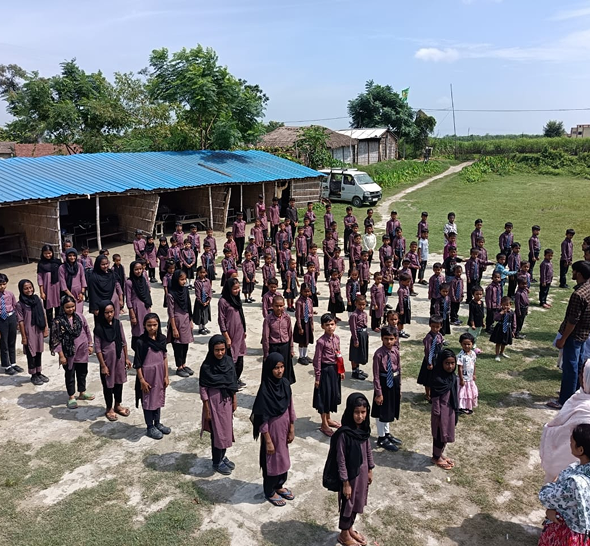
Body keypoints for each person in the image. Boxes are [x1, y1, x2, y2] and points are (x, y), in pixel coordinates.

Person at [322, 392, 374, 546]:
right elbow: (341, 459)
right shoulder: (344, 434)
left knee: (358, 501)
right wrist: (345, 483)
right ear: (350, 411)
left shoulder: (364, 430)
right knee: (348, 504)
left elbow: (368, 449)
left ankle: (350, 528)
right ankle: (344, 535)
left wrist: (370, 469)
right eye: (356, 412)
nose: (360, 416)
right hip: (350, 478)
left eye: (363, 412)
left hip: (362, 474)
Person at [251, 352, 296, 505]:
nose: (280, 371)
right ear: (270, 369)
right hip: (272, 432)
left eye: (282, 367)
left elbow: (290, 406)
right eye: (276, 368)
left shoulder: (285, 384)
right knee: (272, 461)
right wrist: (268, 440)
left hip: (284, 429)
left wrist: (291, 427)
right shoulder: (265, 390)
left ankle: (279, 485)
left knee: (283, 458)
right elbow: (262, 418)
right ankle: (270, 491)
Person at [538, 423, 590, 545]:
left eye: (571, 442)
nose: (570, 444)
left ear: (580, 450)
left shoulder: (575, 482)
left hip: (570, 534)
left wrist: (554, 484)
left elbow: (546, 497)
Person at [549, 261, 590, 409]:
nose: (572, 274)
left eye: (573, 271)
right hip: (585, 333)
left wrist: (563, 339)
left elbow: (572, 321)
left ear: (578, 274)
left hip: (574, 335)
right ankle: (576, 393)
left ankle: (565, 400)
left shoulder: (578, 295)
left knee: (570, 368)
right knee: (579, 365)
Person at [541, 365, 590, 483]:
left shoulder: (584, 410)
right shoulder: (580, 396)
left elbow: (564, 438)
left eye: (582, 375)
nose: (579, 377)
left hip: (571, 465)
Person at [199, 335, 238, 474]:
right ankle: (217, 461)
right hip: (214, 403)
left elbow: (233, 381)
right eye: (217, 350)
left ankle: (222, 456)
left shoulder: (228, 362)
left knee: (226, 430)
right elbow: (203, 388)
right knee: (217, 433)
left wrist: (234, 399)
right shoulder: (207, 366)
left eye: (222, 349)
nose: (220, 353)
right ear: (211, 349)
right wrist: (207, 408)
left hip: (226, 401)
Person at [50, 295, 94, 409]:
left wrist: (90, 344)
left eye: (73, 306)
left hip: (82, 350)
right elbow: (56, 340)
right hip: (68, 353)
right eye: (68, 307)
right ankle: (71, 396)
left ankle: (82, 392)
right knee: (70, 374)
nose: (71, 309)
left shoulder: (80, 316)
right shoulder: (58, 321)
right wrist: (61, 355)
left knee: (82, 372)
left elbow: (87, 330)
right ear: (62, 307)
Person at [134, 313, 170, 440]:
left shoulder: (162, 339)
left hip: (159, 374)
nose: (152, 328)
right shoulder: (141, 342)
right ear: (144, 325)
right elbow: (137, 363)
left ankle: (157, 423)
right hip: (147, 376)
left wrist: (166, 375)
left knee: (158, 398)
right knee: (148, 400)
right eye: (149, 325)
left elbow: (164, 357)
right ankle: (150, 426)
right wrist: (142, 380)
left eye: (155, 325)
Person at [94, 301, 131, 422]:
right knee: (108, 385)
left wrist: (126, 358)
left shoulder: (118, 324)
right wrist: (103, 365)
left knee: (119, 383)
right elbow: (98, 349)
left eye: (111, 312)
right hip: (107, 361)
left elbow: (123, 341)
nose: (109, 314)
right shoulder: (99, 328)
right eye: (106, 312)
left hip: (119, 359)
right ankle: (109, 408)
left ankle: (118, 405)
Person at [372, 326, 402, 452]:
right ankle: (381, 437)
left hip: (393, 382)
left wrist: (399, 387)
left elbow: (399, 369)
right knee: (381, 411)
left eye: (391, 339)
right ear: (381, 338)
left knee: (389, 409)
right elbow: (376, 375)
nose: (388, 342)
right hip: (383, 383)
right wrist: (378, 393)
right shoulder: (378, 354)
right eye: (386, 339)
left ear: (395, 339)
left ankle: (387, 433)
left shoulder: (396, 352)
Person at [313, 313, 344, 437]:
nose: (330, 327)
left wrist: (341, 370)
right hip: (325, 371)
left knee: (332, 395)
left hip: (334, 370)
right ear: (322, 326)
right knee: (324, 397)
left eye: (332, 324)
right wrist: (318, 377)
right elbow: (317, 360)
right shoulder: (321, 342)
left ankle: (329, 418)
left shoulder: (337, 339)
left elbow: (338, 355)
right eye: (327, 325)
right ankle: (324, 424)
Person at [430, 349, 459, 470]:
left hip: (450, 410)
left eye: (452, 363)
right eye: (447, 363)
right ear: (441, 363)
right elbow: (435, 398)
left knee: (446, 433)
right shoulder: (437, 378)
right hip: (441, 412)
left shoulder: (452, 377)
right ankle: (436, 457)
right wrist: (437, 414)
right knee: (439, 434)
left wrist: (456, 409)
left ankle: (440, 454)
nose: (450, 366)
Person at [16, 279, 48, 385]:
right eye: (26, 288)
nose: (29, 290)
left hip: (38, 329)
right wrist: (24, 337)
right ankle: (33, 375)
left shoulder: (37, 299)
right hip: (29, 331)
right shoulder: (20, 304)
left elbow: (43, 313)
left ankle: (39, 372)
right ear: (21, 290)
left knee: (39, 351)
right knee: (31, 353)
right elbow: (21, 321)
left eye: (30, 287)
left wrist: (45, 328)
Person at [218, 278, 247, 388]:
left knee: (240, 358)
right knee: (231, 359)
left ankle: (236, 379)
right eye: (234, 289)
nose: (237, 290)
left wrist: (244, 330)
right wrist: (226, 336)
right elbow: (221, 320)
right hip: (230, 334)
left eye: (238, 288)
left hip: (239, 333)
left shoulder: (237, 299)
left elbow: (241, 315)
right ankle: (230, 381)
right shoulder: (223, 301)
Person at [262, 295, 295, 385]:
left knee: (284, 370)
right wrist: (266, 353)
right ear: (272, 306)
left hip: (285, 346)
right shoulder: (268, 319)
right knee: (274, 370)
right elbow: (265, 337)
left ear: (284, 305)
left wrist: (291, 349)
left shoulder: (287, 317)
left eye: (281, 306)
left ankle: (285, 387)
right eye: (276, 306)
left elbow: (290, 334)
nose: (279, 308)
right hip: (273, 347)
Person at [166, 270, 193, 378]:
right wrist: (174, 328)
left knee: (185, 343)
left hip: (186, 319)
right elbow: (171, 312)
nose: (184, 281)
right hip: (177, 321)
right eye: (181, 279)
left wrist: (190, 321)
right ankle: (179, 367)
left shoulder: (185, 290)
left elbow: (189, 306)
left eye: (185, 279)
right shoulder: (171, 294)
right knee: (178, 345)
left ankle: (184, 364)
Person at [125, 260, 152, 351]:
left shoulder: (143, 279)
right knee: (138, 330)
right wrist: (132, 314)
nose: (139, 271)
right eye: (136, 269)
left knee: (146, 328)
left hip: (145, 308)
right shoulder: (129, 282)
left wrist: (149, 308)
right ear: (132, 270)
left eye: (140, 269)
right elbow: (128, 299)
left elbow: (146, 294)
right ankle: (137, 350)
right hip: (136, 309)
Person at [418, 316, 444, 402]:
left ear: (441, 326)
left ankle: (434, 393)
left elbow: (441, 347)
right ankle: (427, 394)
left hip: (437, 359)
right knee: (428, 378)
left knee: (436, 377)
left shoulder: (440, 335)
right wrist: (429, 363)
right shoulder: (429, 337)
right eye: (433, 326)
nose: (435, 329)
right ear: (429, 325)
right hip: (430, 360)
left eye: (437, 327)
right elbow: (428, 351)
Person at [0, 273, 21, 376]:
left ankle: (13, 363)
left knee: (12, 340)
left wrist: (17, 321)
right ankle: (6, 365)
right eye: (0, 284)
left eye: (4, 284)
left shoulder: (10, 294)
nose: (2, 286)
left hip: (11, 317)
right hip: (1, 319)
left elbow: (15, 307)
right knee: (3, 343)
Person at [37, 244, 62, 327]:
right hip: (47, 289)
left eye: (49, 253)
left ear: (52, 252)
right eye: (45, 253)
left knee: (59, 306)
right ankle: (51, 326)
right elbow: (40, 278)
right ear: (42, 254)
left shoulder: (57, 262)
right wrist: (42, 292)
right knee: (48, 308)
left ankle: (58, 325)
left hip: (57, 288)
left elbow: (62, 274)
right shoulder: (41, 264)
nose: (48, 255)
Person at [59, 248, 86, 314]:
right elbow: (63, 285)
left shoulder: (79, 266)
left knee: (79, 314)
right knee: (69, 313)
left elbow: (83, 280)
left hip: (79, 295)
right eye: (70, 255)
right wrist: (71, 296)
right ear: (66, 256)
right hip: (68, 295)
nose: (72, 257)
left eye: (74, 255)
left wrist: (82, 293)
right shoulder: (62, 268)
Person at [348, 294, 369, 381]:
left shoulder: (364, 314)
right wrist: (355, 339)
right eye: (360, 304)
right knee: (355, 354)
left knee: (360, 353)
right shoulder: (354, 315)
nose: (362, 306)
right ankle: (354, 372)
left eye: (363, 304)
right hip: (357, 335)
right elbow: (353, 328)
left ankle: (357, 369)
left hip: (363, 335)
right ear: (356, 304)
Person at [457, 333, 478, 415]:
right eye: (464, 344)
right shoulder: (460, 356)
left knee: (469, 393)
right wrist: (461, 379)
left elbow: (473, 364)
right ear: (461, 344)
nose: (466, 346)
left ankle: (468, 406)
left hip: (470, 378)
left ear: (472, 344)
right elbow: (460, 368)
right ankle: (461, 407)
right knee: (462, 393)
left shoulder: (473, 354)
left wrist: (474, 374)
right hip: (463, 379)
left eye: (469, 344)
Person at [490, 296, 516, 362]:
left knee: (504, 342)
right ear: (501, 304)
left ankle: (502, 352)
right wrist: (500, 314)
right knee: (498, 342)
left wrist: (513, 331)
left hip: (507, 328)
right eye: (504, 305)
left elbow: (514, 322)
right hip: (499, 327)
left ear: (510, 305)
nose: (505, 307)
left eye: (507, 305)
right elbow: (495, 318)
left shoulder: (512, 313)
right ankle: (497, 354)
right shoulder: (499, 311)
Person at [294, 284, 314, 366]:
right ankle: (301, 356)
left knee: (307, 340)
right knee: (301, 341)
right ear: (301, 291)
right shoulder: (299, 302)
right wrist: (300, 327)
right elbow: (298, 316)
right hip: (302, 322)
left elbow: (311, 313)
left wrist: (312, 324)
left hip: (308, 322)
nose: (307, 293)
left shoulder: (310, 300)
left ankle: (305, 355)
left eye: (308, 291)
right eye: (305, 291)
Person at [193, 266, 212, 335]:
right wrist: (201, 301)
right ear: (198, 273)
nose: (202, 274)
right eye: (200, 272)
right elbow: (197, 293)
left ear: (206, 273)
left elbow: (210, 290)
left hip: (207, 300)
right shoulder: (197, 282)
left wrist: (208, 299)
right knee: (199, 315)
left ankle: (204, 326)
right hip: (200, 301)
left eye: (204, 272)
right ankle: (200, 328)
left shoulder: (208, 281)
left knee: (205, 314)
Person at [468, 286, 485, 353]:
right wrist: (472, 324)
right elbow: (471, 314)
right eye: (477, 294)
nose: (479, 296)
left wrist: (483, 322)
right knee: (472, 335)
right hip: (474, 323)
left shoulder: (482, 303)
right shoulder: (472, 303)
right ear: (473, 294)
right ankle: (470, 346)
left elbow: (482, 313)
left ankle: (474, 345)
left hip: (479, 322)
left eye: (480, 294)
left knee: (477, 335)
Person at [396, 272, 412, 338]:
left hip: (406, 305)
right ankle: (399, 331)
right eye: (407, 282)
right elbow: (400, 300)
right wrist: (401, 309)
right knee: (401, 320)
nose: (409, 283)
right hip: (402, 306)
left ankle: (402, 330)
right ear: (402, 281)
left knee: (404, 320)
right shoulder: (401, 290)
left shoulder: (406, 288)